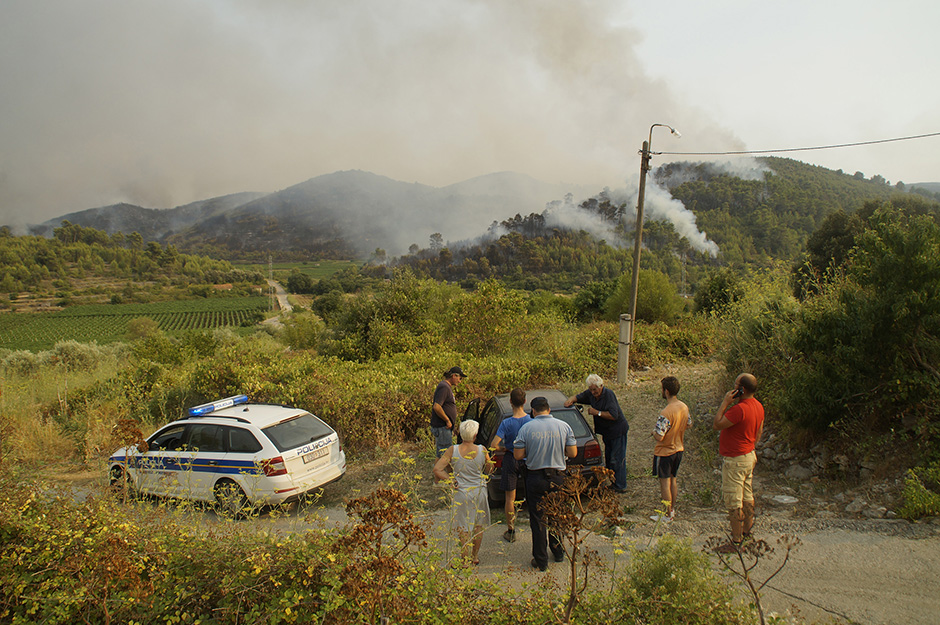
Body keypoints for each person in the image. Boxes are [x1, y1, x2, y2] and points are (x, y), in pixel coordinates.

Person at [514, 396, 577, 571]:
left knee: (538, 519)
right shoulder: (563, 426)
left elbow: (518, 455)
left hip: (535, 477)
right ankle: (558, 552)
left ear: (533, 411)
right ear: (548, 409)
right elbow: (572, 452)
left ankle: (541, 560)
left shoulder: (527, 428)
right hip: (557, 477)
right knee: (556, 515)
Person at [713, 373, 765, 552]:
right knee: (747, 497)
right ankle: (747, 534)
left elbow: (717, 424)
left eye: (735, 385)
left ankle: (736, 541)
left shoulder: (739, 409)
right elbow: (759, 433)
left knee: (734, 500)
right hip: (749, 454)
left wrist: (725, 402)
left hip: (735, 459)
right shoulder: (758, 406)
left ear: (741, 389)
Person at [433, 419, 493, 564]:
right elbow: (489, 469)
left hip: (461, 492)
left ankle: (464, 558)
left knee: (463, 526)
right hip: (479, 492)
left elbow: (437, 469)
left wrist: (451, 480)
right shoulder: (482, 450)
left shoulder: (452, 450)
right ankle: (475, 556)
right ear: (475, 435)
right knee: (478, 525)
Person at [564, 374, 629, 492]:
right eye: (591, 389)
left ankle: (620, 485)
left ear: (601, 386)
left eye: (595, 389)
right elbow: (579, 396)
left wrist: (597, 413)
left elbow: (614, 415)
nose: (593, 392)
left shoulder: (609, 395)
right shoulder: (590, 394)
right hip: (607, 432)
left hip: (617, 430)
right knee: (609, 458)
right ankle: (613, 482)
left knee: (617, 458)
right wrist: (570, 400)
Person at [490, 388, 532, 543]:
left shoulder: (506, 423)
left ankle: (511, 529)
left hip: (510, 458)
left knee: (510, 497)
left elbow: (494, 445)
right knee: (532, 493)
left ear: (510, 402)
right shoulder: (530, 421)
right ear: (525, 401)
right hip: (527, 459)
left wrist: (504, 448)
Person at [651, 376, 692, 522]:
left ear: (666, 391)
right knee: (673, 480)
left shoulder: (666, 412)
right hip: (679, 448)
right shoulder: (683, 406)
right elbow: (688, 424)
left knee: (664, 483)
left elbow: (659, 436)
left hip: (665, 451)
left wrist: (653, 432)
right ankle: (672, 510)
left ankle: (666, 514)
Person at [430, 366, 466, 458]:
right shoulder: (444, 387)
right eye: (459, 378)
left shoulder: (446, 387)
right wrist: (447, 420)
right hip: (442, 427)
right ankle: (441, 471)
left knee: (442, 454)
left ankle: (439, 470)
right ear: (454, 376)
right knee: (445, 454)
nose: (460, 381)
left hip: (444, 428)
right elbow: (437, 407)